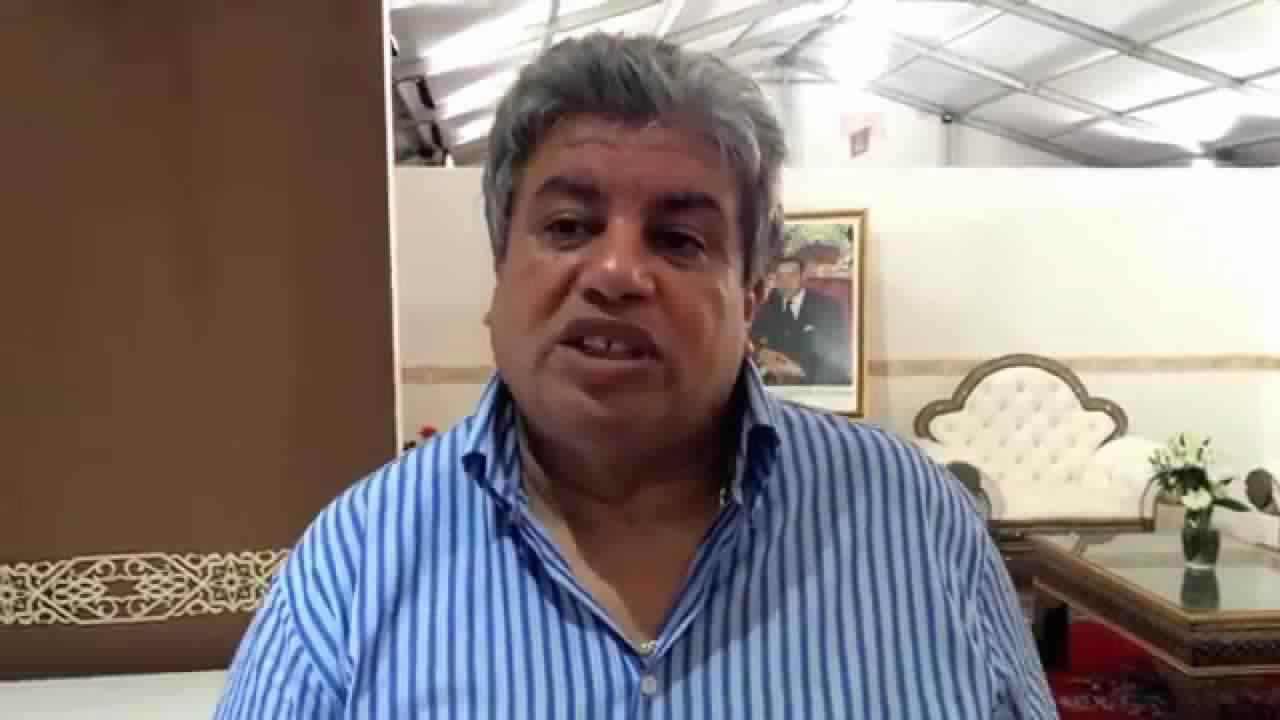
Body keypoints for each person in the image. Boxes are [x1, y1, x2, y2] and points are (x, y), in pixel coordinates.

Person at [213, 33, 1056, 719]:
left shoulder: (913, 525)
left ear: (752, 298)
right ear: (501, 270)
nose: (617, 272)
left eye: (679, 239)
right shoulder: (356, 561)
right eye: (569, 226)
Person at [750, 255, 852, 385]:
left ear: (802, 277)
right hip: (776, 384)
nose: (785, 282)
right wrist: (761, 353)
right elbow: (751, 341)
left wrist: (801, 373)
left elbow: (838, 357)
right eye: (780, 277)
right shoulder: (767, 305)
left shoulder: (828, 308)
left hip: (816, 384)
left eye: (791, 275)